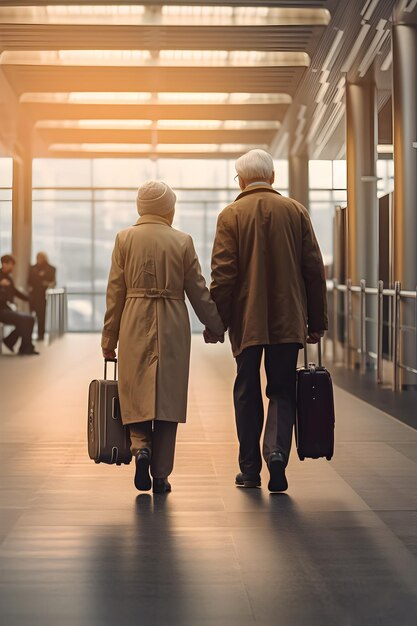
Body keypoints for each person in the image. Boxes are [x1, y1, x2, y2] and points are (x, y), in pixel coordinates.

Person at [208, 149, 327, 493]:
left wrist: (218, 322)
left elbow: (223, 275)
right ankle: (276, 453)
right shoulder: (296, 212)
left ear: (241, 181)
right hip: (289, 320)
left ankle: (249, 470)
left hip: (247, 322)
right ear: (272, 177)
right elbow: (313, 271)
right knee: (281, 390)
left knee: (246, 392)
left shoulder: (230, 215)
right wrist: (316, 319)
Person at [101, 180, 224, 494]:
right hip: (171, 318)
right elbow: (197, 288)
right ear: (169, 208)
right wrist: (216, 325)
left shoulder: (124, 238)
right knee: (167, 396)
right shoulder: (181, 240)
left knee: (136, 389)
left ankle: (140, 447)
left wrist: (109, 338)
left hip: (132, 317)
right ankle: (161, 474)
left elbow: (115, 291)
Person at [0, 254, 39, 355]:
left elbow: (15, 292)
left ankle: (17, 344)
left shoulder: (8, 278)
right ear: (5, 264)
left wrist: (28, 299)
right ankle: (23, 347)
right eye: (11, 265)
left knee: (29, 319)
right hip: (2, 311)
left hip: (6, 309)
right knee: (27, 320)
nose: (12, 268)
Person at [28, 252, 56, 340]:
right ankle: (29, 334)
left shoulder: (51, 268)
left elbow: (53, 282)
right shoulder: (32, 268)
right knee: (30, 315)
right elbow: (29, 280)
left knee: (41, 315)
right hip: (32, 295)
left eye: (40, 258)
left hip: (42, 295)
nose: (38, 259)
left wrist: (47, 284)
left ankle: (41, 334)